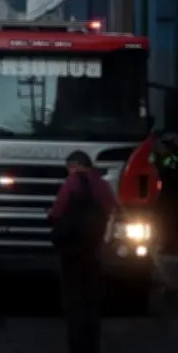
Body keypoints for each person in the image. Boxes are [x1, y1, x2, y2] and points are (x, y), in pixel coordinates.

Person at [49, 150, 118, 353]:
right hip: (94, 251)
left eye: (70, 167)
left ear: (77, 165)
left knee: (73, 300)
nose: (69, 172)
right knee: (92, 301)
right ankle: (92, 345)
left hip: (72, 251)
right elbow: (112, 209)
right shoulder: (103, 184)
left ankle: (76, 345)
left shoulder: (72, 183)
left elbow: (56, 212)